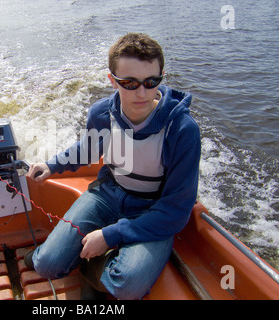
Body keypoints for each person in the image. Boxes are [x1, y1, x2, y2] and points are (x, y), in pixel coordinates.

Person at [26, 33, 201, 300]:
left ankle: (91, 271)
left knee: (128, 285)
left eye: (151, 82)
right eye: (129, 83)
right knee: (47, 264)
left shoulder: (182, 130)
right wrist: (53, 165)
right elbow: (88, 147)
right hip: (107, 194)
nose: (142, 92)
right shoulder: (101, 113)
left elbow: (175, 211)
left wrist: (110, 235)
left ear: (162, 76)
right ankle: (57, 255)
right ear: (112, 80)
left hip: (152, 210)